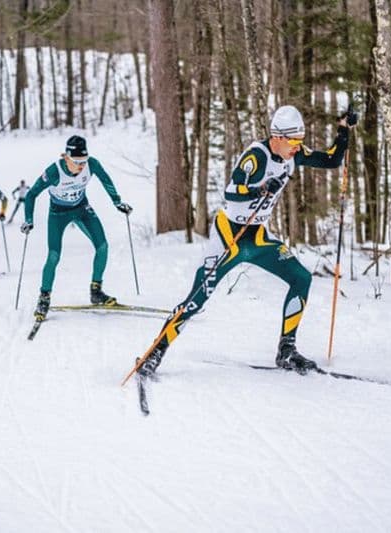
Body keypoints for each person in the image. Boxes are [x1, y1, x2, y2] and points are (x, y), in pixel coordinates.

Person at [137, 105, 357, 377]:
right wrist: (262, 188)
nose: (298, 147)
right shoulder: (257, 156)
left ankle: (286, 349)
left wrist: (343, 130)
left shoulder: (293, 154)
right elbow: (232, 192)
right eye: (293, 141)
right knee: (197, 298)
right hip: (230, 237)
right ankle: (155, 352)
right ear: (277, 137)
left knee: (301, 278)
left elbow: (332, 160)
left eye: (300, 141)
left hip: (257, 236)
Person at [20, 135, 132, 321]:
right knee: (54, 255)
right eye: (77, 161)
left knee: (102, 246)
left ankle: (96, 291)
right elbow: (31, 194)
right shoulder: (54, 172)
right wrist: (29, 220)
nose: (81, 166)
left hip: (82, 209)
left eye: (84, 161)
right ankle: (44, 297)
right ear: (66, 157)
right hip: (58, 214)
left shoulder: (92, 165)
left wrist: (117, 202)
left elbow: (106, 180)